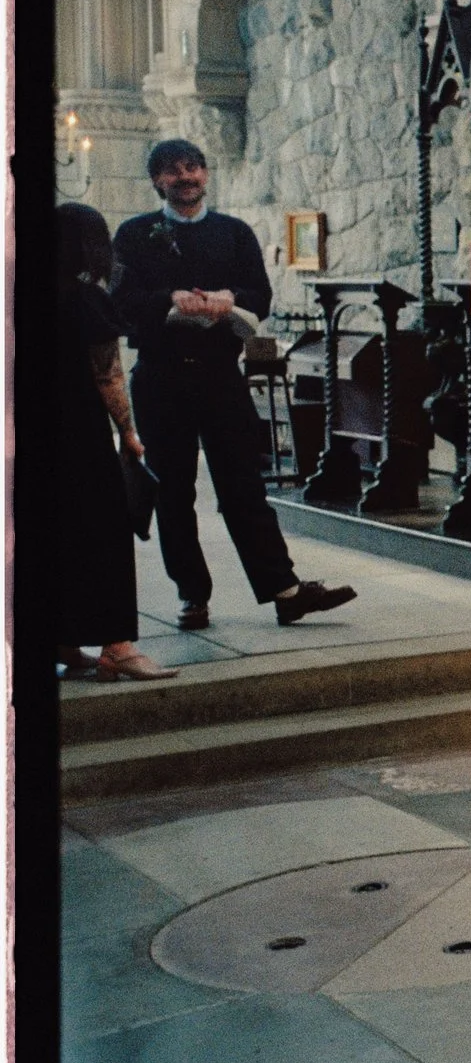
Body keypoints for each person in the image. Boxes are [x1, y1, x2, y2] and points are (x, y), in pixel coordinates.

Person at [110, 138, 353, 630]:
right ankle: (191, 595)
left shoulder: (234, 232)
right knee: (172, 491)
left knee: (244, 484)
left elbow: (260, 296)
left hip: (221, 376)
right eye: (173, 170)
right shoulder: (134, 234)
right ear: (157, 180)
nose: (186, 176)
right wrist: (170, 299)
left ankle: (284, 591)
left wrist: (229, 297)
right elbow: (122, 301)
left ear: (205, 174)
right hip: (160, 377)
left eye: (193, 167)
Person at [57, 203, 176, 681]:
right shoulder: (86, 298)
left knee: (54, 533)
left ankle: (62, 640)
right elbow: (107, 374)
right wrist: (128, 433)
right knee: (104, 532)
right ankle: (117, 646)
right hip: (77, 432)